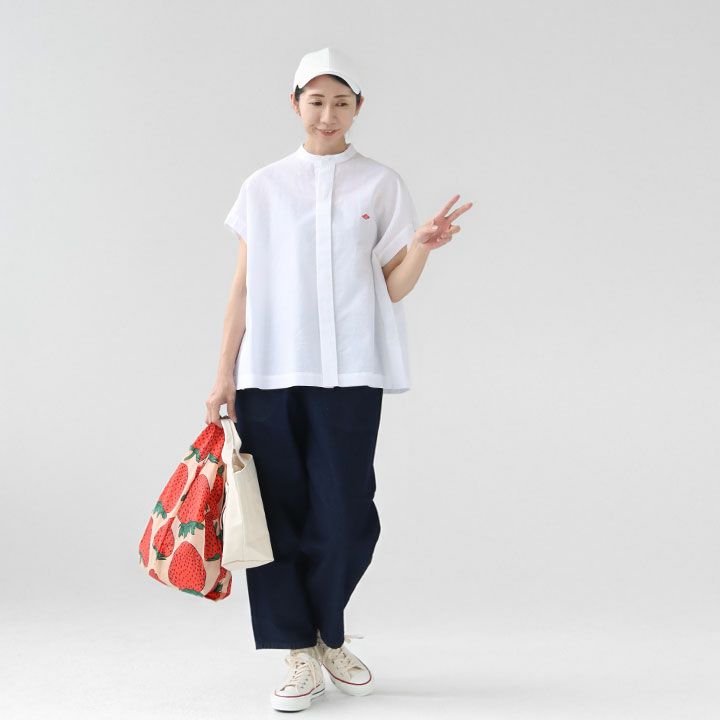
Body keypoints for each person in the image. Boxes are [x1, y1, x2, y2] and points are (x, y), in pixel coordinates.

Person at [205, 47, 472, 712]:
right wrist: (222, 375)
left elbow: (391, 287)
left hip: (351, 371)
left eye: (341, 102)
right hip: (268, 372)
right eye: (316, 101)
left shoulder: (380, 184)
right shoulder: (263, 186)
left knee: (347, 514)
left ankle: (328, 632)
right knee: (277, 515)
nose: (328, 114)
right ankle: (298, 651)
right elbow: (241, 288)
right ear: (295, 104)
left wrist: (420, 248)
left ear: (358, 108)